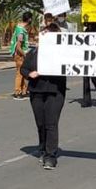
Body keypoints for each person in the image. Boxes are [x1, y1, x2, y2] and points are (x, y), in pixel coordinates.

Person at [20, 23, 66, 170]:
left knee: (51, 123)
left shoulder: (62, 53)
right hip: (36, 91)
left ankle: (51, 156)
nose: (43, 36)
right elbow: (23, 68)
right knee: (41, 123)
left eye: (47, 34)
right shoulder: (33, 53)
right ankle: (43, 148)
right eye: (43, 33)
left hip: (54, 91)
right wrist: (29, 74)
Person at [11, 11, 32, 101]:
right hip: (20, 55)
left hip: (20, 55)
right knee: (20, 73)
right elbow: (18, 47)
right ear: (29, 19)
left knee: (23, 73)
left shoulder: (19, 28)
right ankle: (17, 92)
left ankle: (24, 91)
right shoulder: (21, 32)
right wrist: (25, 54)